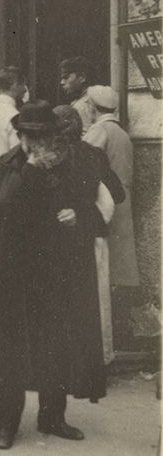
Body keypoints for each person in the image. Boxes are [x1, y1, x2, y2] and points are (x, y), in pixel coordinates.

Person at [0, 102, 106, 450]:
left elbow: (99, 211)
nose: (39, 143)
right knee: (12, 351)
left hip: (59, 272)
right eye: (32, 136)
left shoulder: (77, 163)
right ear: (22, 137)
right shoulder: (5, 167)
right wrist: (29, 172)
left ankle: (52, 417)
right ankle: (5, 425)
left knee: (57, 345)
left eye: (45, 136)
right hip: (16, 274)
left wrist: (79, 215)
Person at [54, 105, 124, 365]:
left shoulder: (49, 158)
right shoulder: (94, 155)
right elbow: (118, 193)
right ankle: (93, 359)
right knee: (94, 298)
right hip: (92, 232)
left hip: (58, 237)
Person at [83, 85, 139, 348]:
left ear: (93, 107)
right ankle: (121, 329)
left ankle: (109, 332)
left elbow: (85, 161)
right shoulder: (122, 133)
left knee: (106, 269)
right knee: (121, 267)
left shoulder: (99, 131)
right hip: (124, 202)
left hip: (108, 204)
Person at [59, 56, 92, 134]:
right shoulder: (80, 101)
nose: (62, 82)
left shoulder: (86, 104)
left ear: (82, 77)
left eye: (66, 77)